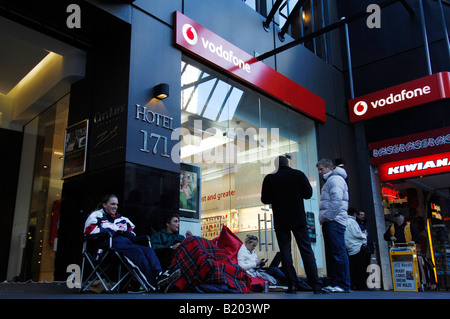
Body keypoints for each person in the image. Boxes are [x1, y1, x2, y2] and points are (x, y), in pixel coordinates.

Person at [84, 194, 180, 292]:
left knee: (148, 250)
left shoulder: (122, 219)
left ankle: (160, 275)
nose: (115, 207)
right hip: (107, 247)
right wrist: (116, 231)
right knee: (137, 252)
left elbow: (132, 234)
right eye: (112, 204)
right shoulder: (96, 216)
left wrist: (121, 232)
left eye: (116, 204)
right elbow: (89, 231)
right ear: (104, 205)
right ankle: (153, 284)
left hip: (125, 244)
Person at [261, 156, 327, 294]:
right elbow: (308, 194)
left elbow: (265, 199)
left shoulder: (270, 178)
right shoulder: (298, 175)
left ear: (276, 165)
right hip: (298, 218)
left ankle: (292, 285)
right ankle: (316, 285)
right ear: (288, 163)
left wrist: (277, 196)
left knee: (285, 252)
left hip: (281, 220)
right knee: (306, 250)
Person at [316, 158, 351, 293]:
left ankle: (341, 284)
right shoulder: (334, 179)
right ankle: (339, 283)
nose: (320, 172)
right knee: (336, 253)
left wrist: (328, 217)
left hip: (334, 221)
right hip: (334, 220)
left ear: (329, 168)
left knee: (338, 253)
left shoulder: (334, 179)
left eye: (321, 169)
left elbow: (336, 200)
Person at [345, 208, 367, 290]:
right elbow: (356, 234)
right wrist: (364, 235)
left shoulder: (344, 221)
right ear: (354, 214)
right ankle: (361, 285)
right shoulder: (352, 222)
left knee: (353, 268)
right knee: (360, 268)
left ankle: (354, 284)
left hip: (349, 247)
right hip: (356, 247)